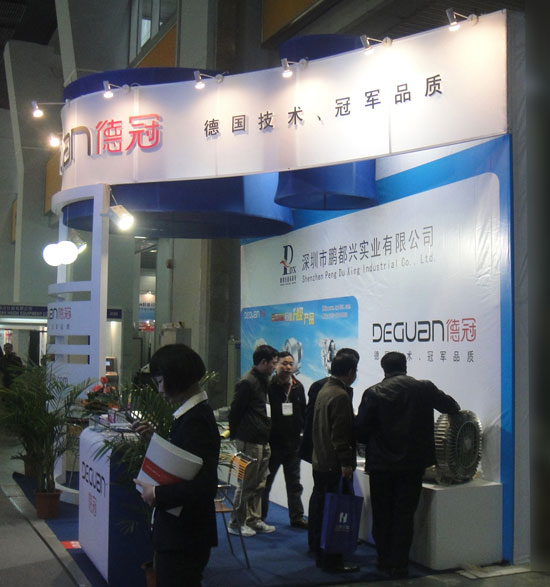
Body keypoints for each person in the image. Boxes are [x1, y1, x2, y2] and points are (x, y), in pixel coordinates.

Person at [355, 351, 460, 578]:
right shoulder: (424, 388)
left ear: (384, 369)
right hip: (412, 465)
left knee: (382, 514)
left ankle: (384, 561)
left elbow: (361, 430)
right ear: (405, 366)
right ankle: (400, 564)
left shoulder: (373, 393)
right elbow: (452, 406)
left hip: (381, 465)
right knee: (404, 515)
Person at [133, 344, 220, 587]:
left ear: (177, 378)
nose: (160, 390)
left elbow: (204, 485)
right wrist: (155, 440)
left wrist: (157, 494)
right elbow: (186, 461)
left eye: (161, 382)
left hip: (184, 535)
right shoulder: (191, 415)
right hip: (183, 533)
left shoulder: (195, 420)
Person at [308, 352, 360, 574]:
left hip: (320, 461)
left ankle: (322, 555)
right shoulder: (340, 395)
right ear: (350, 371)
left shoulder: (325, 390)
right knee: (335, 514)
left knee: (323, 511)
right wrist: (346, 463)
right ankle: (333, 559)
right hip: (333, 464)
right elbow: (340, 435)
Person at [228, 344, 279, 536]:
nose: (275, 367)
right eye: (273, 363)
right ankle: (236, 522)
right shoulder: (247, 382)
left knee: (260, 483)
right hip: (248, 439)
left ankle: (254, 519)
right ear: (263, 362)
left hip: (262, 439)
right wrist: (236, 435)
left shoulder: (264, 381)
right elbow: (235, 410)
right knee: (246, 483)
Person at [261, 351, 308, 529]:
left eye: (290, 364)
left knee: (294, 483)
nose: (288, 367)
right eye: (284, 363)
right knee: (265, 483)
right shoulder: (268, 386)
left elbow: (303, 411)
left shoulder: (298, 387)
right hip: (273, 444)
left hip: (293, 444)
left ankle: (297, 517)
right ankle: (260, 517)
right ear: (276, 365)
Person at [300, 348, 360, 464]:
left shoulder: (343, 388)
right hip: (324, 449)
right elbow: (312, 419)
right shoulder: (322, 386)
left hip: (330, 451)